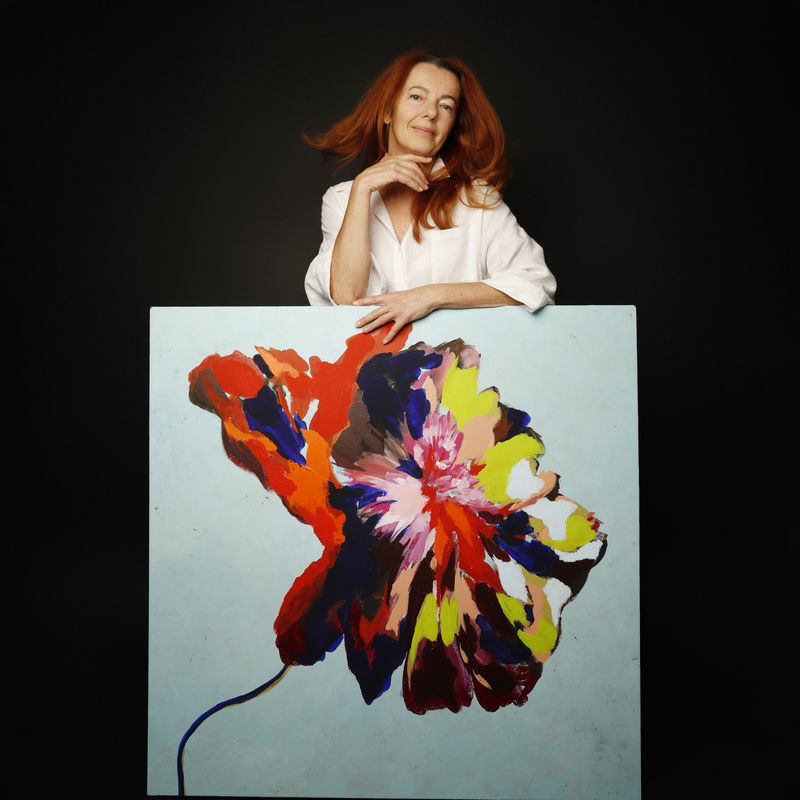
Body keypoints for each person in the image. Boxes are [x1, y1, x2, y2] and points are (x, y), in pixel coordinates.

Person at [304, 50, 556, 343]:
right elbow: (346, 298)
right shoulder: (341, 199)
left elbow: (536, 282)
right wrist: (362, 189)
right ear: (388, 111)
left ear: (451, 127)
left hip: (456, 376)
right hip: (368, 378)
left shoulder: (476, 199)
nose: (431, 113)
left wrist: (430, 296)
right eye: (416, 97)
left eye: (446, 106)